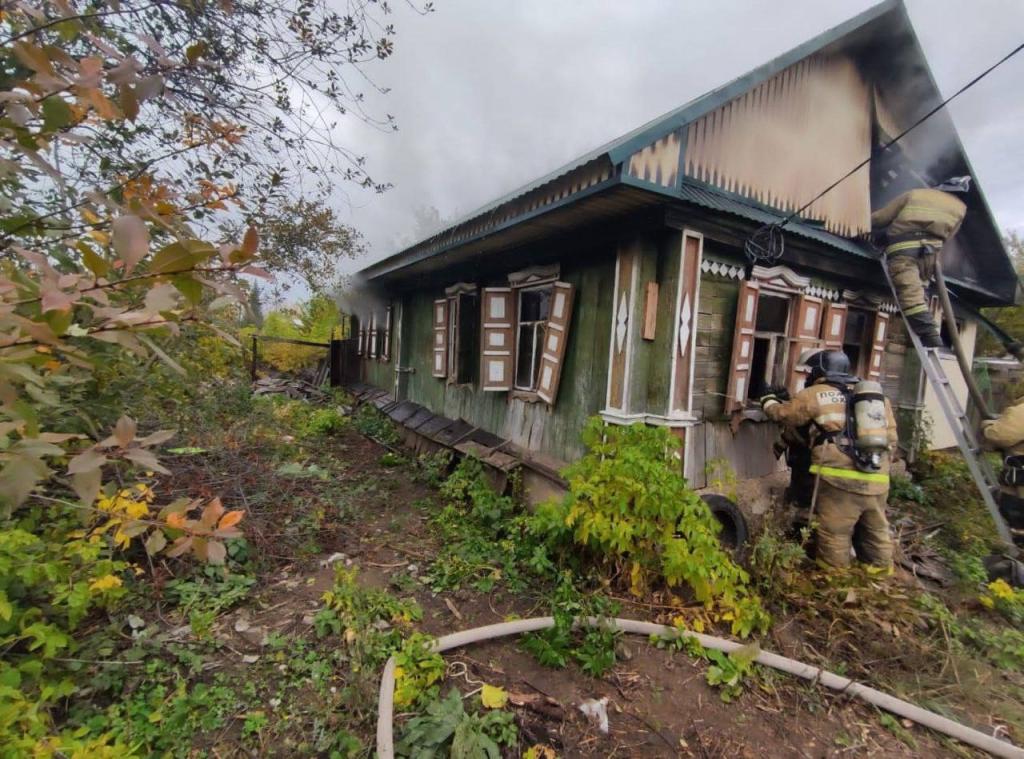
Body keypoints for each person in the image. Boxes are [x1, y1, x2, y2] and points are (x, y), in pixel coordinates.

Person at [759, 350, 898, 569]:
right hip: (877, 479)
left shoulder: (815, 393)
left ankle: (834, 582)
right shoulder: (876, 399)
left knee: (835, 532)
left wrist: (767, 400)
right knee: (877, 531)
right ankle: (880, 580)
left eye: (811, 371)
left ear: (819, 371)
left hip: (839, 481)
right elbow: (891, 438)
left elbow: (784, 415)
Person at [870, 176, 970, 348]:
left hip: (903, 249)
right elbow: (949, 236)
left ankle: (928, 332)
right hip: (930, 256)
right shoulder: (961, 208)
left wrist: (862, 221)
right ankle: (919, 328)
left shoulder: (914, 194)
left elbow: (881, 218)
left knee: (909, 291)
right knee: (919, 290)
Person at [980, 389, 1024, 533]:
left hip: (1019, 484)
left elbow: (1000, 435)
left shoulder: (1021, 412)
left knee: (1016, 517)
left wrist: (987, 426)